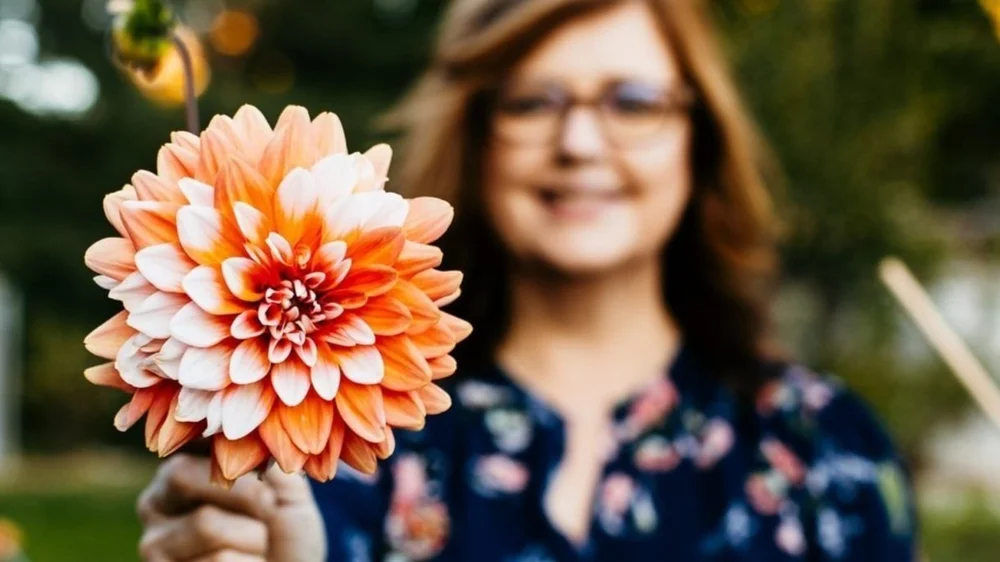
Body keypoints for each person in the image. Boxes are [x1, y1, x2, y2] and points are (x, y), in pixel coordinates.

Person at [135, 0, 918, 560]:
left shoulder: (827, 450)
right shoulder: (342, 447)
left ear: (699, 137)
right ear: (476, 133)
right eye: (532, 101)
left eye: (633, 101)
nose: (579, 142)